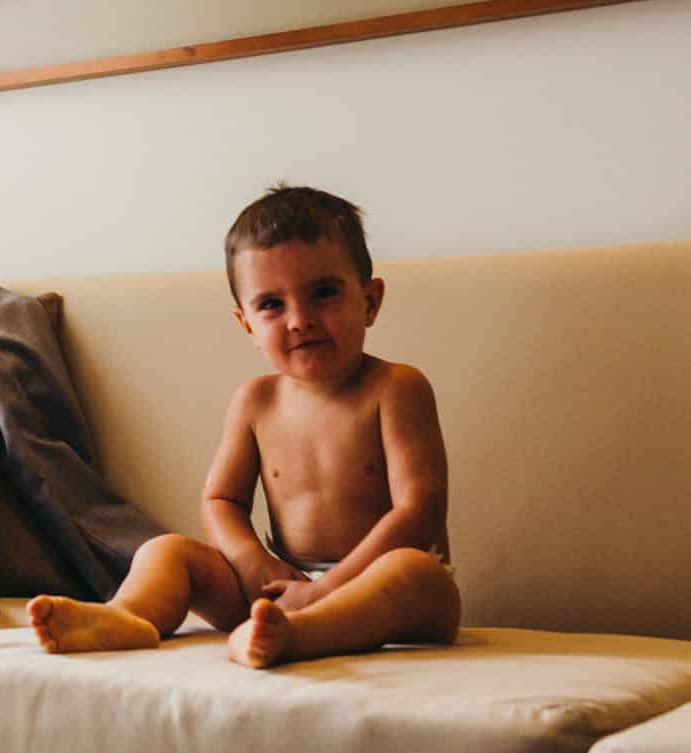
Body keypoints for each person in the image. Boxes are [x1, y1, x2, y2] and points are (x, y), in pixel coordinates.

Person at [28, 186, 460, 669]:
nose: (301, 320)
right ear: (247, 324)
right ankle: (128, 617)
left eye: (324, 293)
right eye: (272, 305)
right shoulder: (255, 401)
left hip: (379, 581)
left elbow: (418, 510)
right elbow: (221, 501)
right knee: (168, 550)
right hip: (282, 584)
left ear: (370, 300)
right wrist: (255, 564)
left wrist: (330, 589)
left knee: (414, 572)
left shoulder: (397, 387)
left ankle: (301, 634)